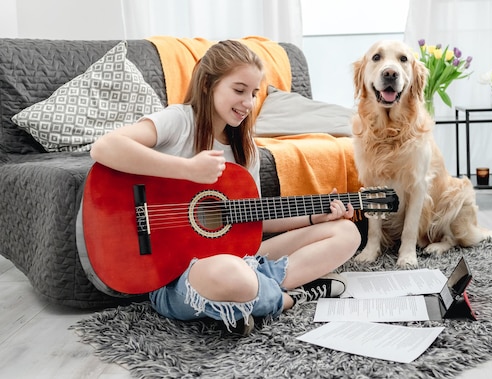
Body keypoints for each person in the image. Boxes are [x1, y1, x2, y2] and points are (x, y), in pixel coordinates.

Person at [90, 40, 361, 336]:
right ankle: (285, 298)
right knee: (228, 273)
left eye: (255, 94)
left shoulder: (246, 150)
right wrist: (188, 170)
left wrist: (314, 217)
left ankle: (245, 297)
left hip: (240, 259)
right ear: (208, 84)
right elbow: (105, 147)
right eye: (239, 90)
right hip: (178, 278)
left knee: (346, 233)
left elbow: (253, 216)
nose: (248, 102)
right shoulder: (179, 121)